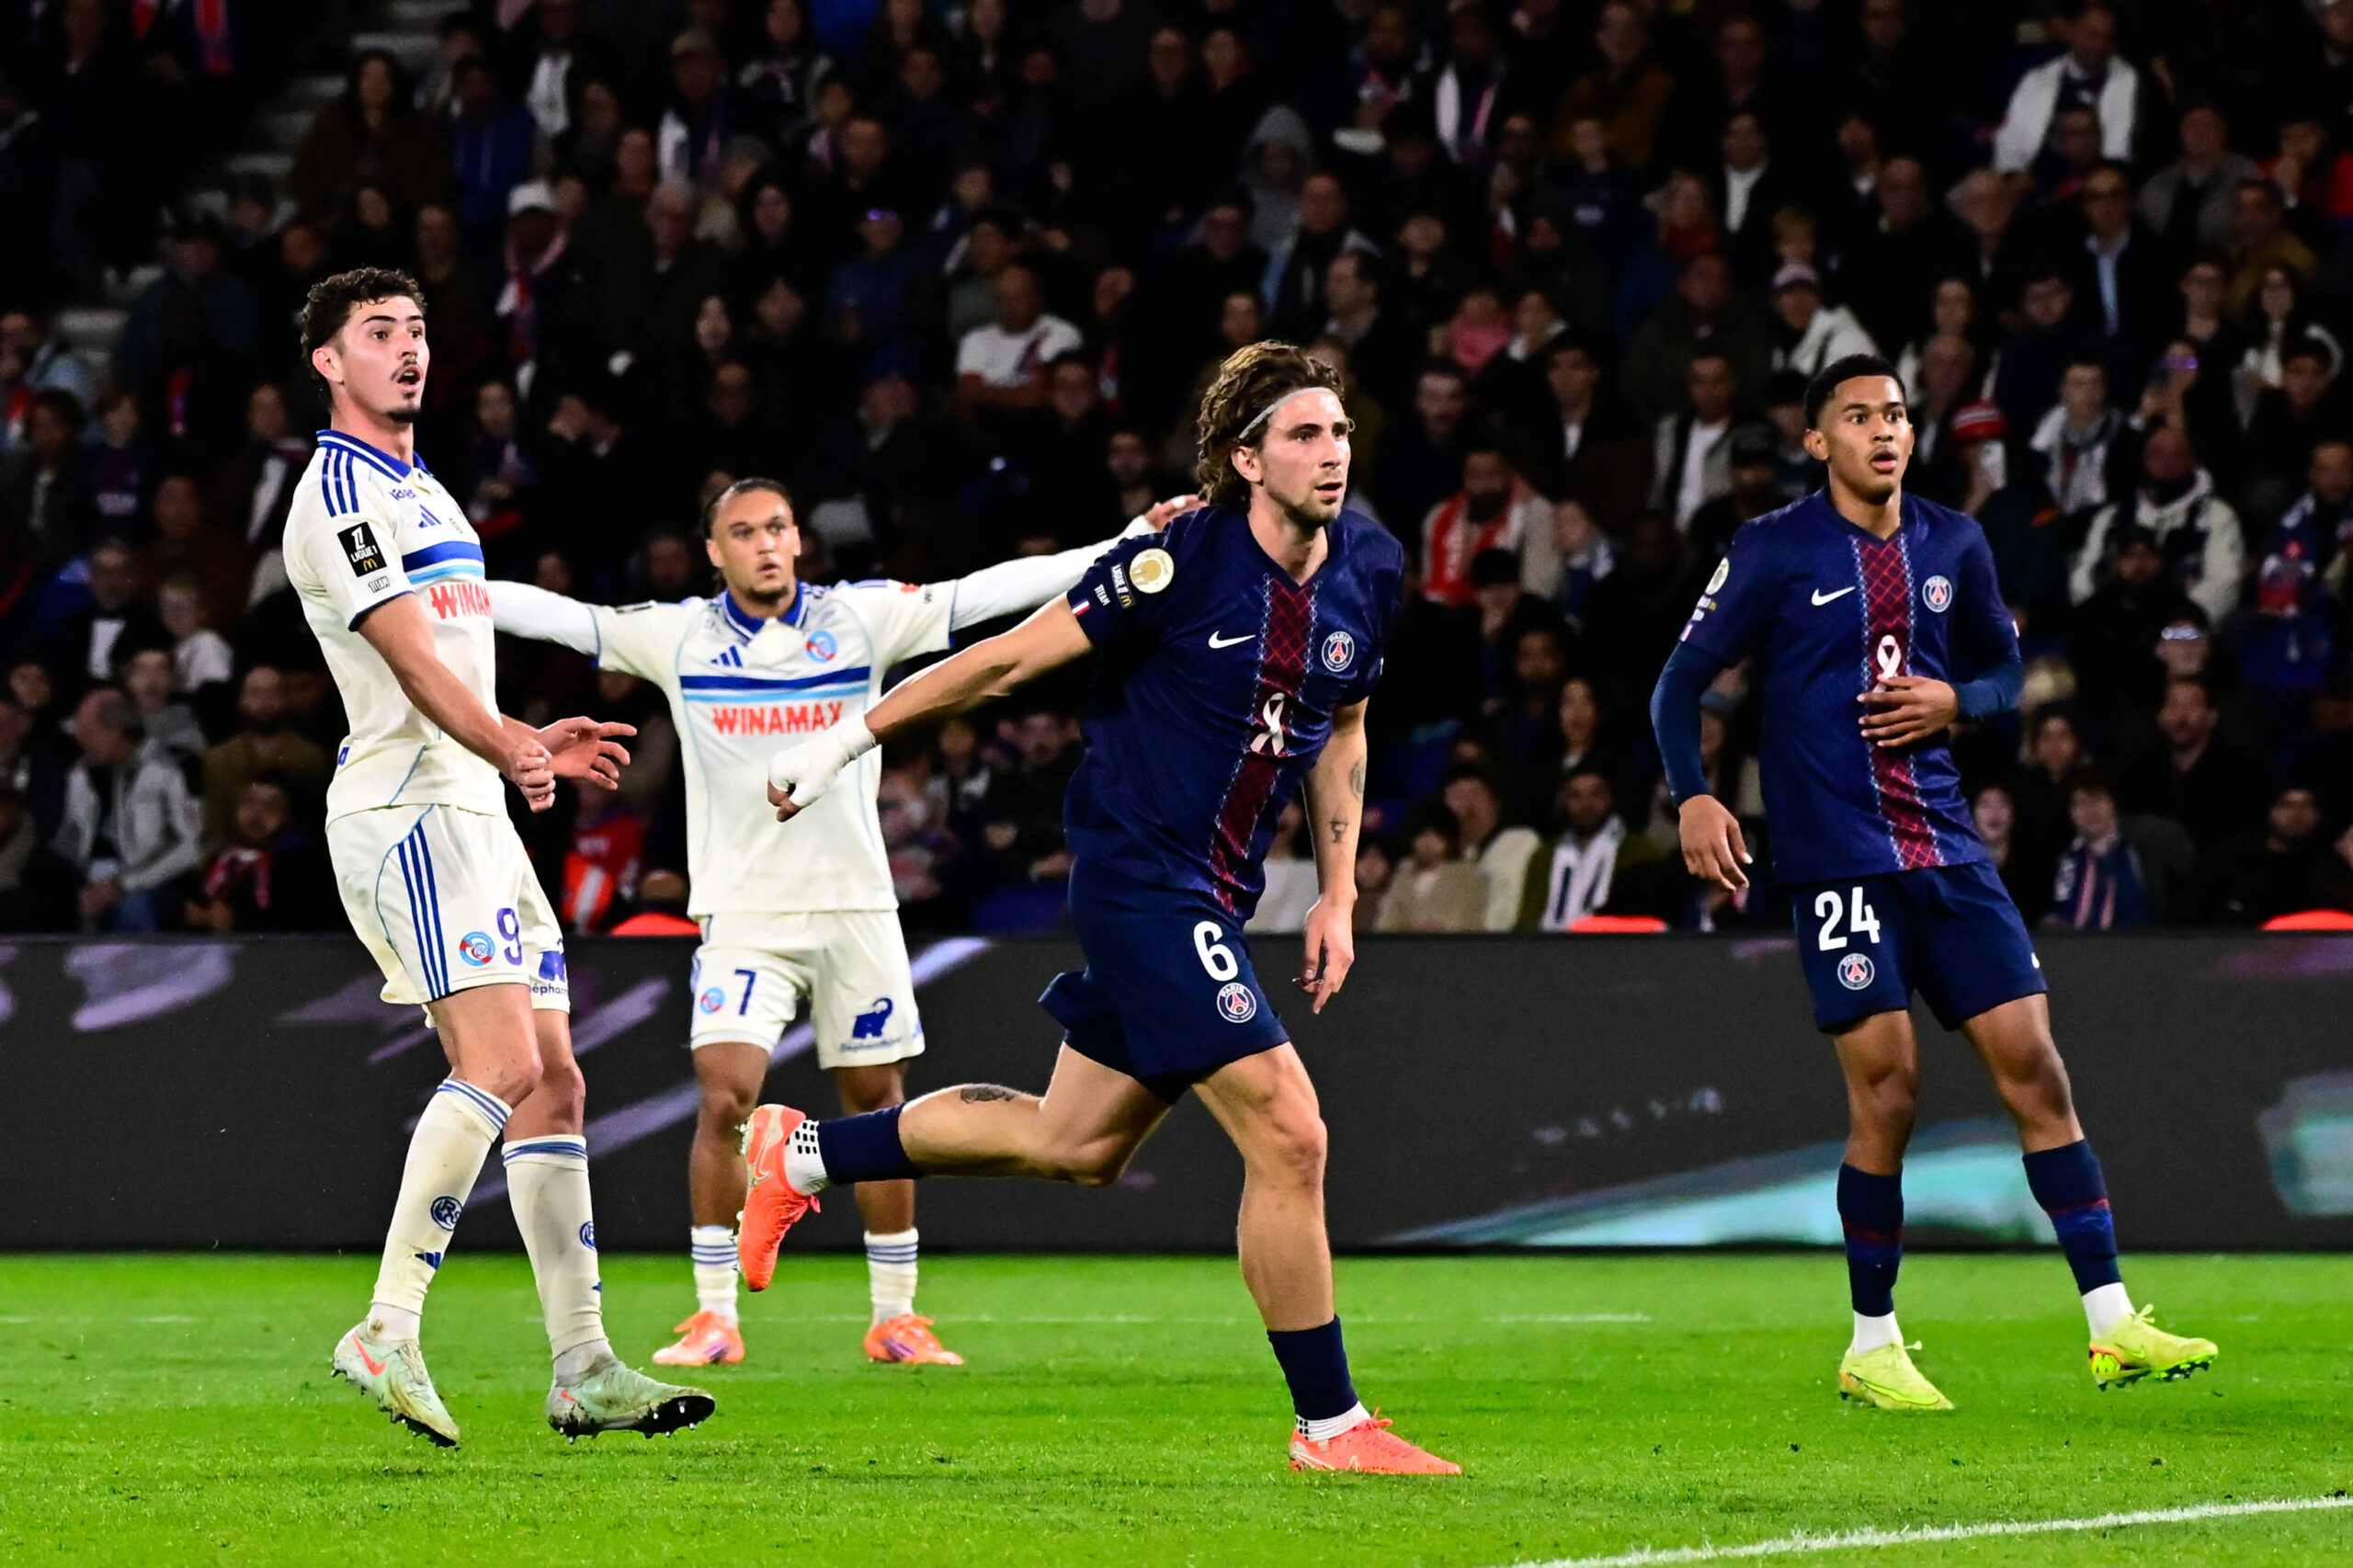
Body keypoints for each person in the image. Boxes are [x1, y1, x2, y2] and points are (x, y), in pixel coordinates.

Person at [747, 343, 1456, 1474]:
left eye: (1340, 434)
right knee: (1290, 1130)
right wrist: (838, 743)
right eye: (1304, 436)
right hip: (1138, 881)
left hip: (1216, 889)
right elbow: (1002, 664)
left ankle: (809, 1151)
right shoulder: (1177, 559)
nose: (1333, 455)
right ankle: (1332, 1425)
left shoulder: (1367, 563)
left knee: (1071, 1144)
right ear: (1246, 457)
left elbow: (1348, 726)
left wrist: (1336, 890)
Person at [489, 478, 1190, 1369]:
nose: (766, 544)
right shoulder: (681, 634)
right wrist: (441, 586)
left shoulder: (858, 619)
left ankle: (894, 1313)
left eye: (777, 526)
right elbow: (562, 616)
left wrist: (1127, 538)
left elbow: (983, 593)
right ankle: (713, 1314)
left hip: (856, 905)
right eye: (743, 532)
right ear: (715, 552)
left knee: (877, 1103)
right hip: (743, 910)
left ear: (798, 537)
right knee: (724, 1097)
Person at [1651, 353, 2216, 1412]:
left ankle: (2111, 1323)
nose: (1885, 431)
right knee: (1889, 1091)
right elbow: (1677, 681)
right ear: (1817, 440)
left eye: (1898, 414)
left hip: (1948, 854)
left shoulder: (1954, 541)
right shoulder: (1772, 549)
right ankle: (1871, 1341)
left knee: (2037, 1071)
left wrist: (1955, 697)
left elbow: (2007, 676)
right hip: (1838, 862)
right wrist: (1693, 793)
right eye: (1858, 416)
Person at [286, 267, 710, 1448]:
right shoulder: (338, 496)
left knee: (557, 1076)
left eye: (417, 331)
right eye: (378, 335)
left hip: (476, 804)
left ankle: (582, 1366)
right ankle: (387, 1323)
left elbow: (455, 661)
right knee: (500, 1057)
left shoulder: (423, 488)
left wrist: (523, 735)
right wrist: (512, 737)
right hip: (411, 809)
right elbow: (411, 662)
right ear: (328, 361)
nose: (407, 351)